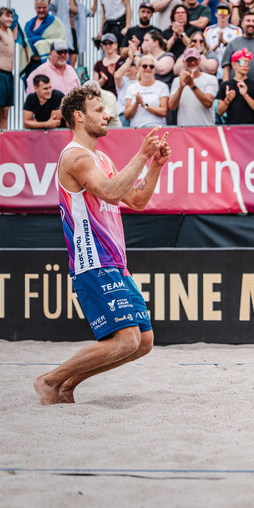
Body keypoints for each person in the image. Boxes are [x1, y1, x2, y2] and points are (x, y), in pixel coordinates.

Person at [34, 88, 170, 405]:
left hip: (114, 262)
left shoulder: (102, 158)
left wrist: (155, 166)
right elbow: (109, 192)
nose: (106, 114)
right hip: (92, 260)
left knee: (143, 341)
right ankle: (49, 380)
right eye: (98, 109)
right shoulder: (75, 156)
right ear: (79, 116)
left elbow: (135, 200)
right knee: (126, 340)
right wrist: (141, 155)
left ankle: (67, 385)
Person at [168, 48, 217, 126]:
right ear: (184, 62)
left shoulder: (211, 79)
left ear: (200, 60)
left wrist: (191, 85)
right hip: (185, 130)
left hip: (206, 128)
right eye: (189, 60)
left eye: (195, 60)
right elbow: (172, 106)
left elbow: (208, 103)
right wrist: (180, 88)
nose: (192, 62)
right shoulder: (177, 81)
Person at [218, 48, 254, 124]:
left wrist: (245, 95)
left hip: (251, 127)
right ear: (233, 64)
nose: (245, 65)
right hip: (231, 127)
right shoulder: (225, 85)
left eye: (248, 62)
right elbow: (220, 112)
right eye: (242, 62)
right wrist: (227, 100)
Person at [123, 56, 169, 129]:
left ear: (154, 69)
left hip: (157, 128)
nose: (148, 68)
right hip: (137, 129)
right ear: (138, 69)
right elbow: (127, 115)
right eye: (144, 66)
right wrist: (136, 103)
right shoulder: (131, 88)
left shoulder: (162, 86)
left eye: (151, 66)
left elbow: (164, 112)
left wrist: (144, 105)